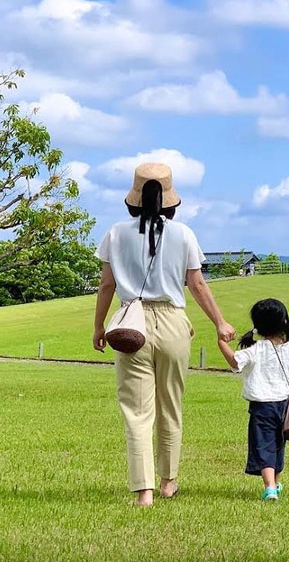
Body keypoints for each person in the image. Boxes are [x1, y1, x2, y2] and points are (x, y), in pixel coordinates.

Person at [93, 162, 236, 507]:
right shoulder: (184, 234)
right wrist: (219, 322)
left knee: (137, 410)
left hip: (131, 324)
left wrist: (99, 326)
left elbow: (107, 285)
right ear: (169, 198)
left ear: (135, 197)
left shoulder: (115, 233)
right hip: (173, 322)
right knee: (170, 406)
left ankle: (144, 491)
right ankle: (169, 482)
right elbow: (196, 283)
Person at [217, 298, 289, 501]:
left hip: (262, 407)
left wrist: (221, 343)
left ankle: (269, 487)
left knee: (264, 444)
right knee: (279, 444)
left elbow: (235, 361)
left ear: (258, 326)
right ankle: (275, 483)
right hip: (288, 406)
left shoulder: (257, 349)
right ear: (284, 322)